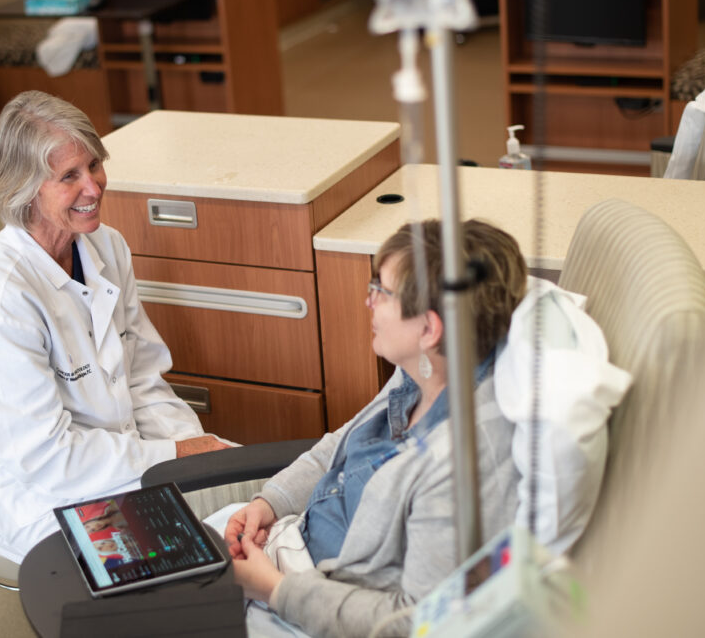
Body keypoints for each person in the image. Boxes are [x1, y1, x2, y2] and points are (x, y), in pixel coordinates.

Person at [220, 218, 630, 637]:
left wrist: (274, 588)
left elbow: (411, 621)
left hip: (309, 606)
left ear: (430, 328)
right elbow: (343, 445)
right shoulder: (423, 372)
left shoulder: (462, 463)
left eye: (381, 291)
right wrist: (270, 503)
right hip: (282, 544)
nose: (368, 301)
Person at [0, 90, 230, 564]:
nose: (94, 188)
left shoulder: (106, 247)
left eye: (94, 165)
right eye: (69, 176)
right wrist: (174, 458)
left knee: (247, 501)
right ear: (23, 189)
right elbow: (47, 461)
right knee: (191, 558)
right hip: (32, 494)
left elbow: (142, 380)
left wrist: (197, 455)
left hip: (118, 457)